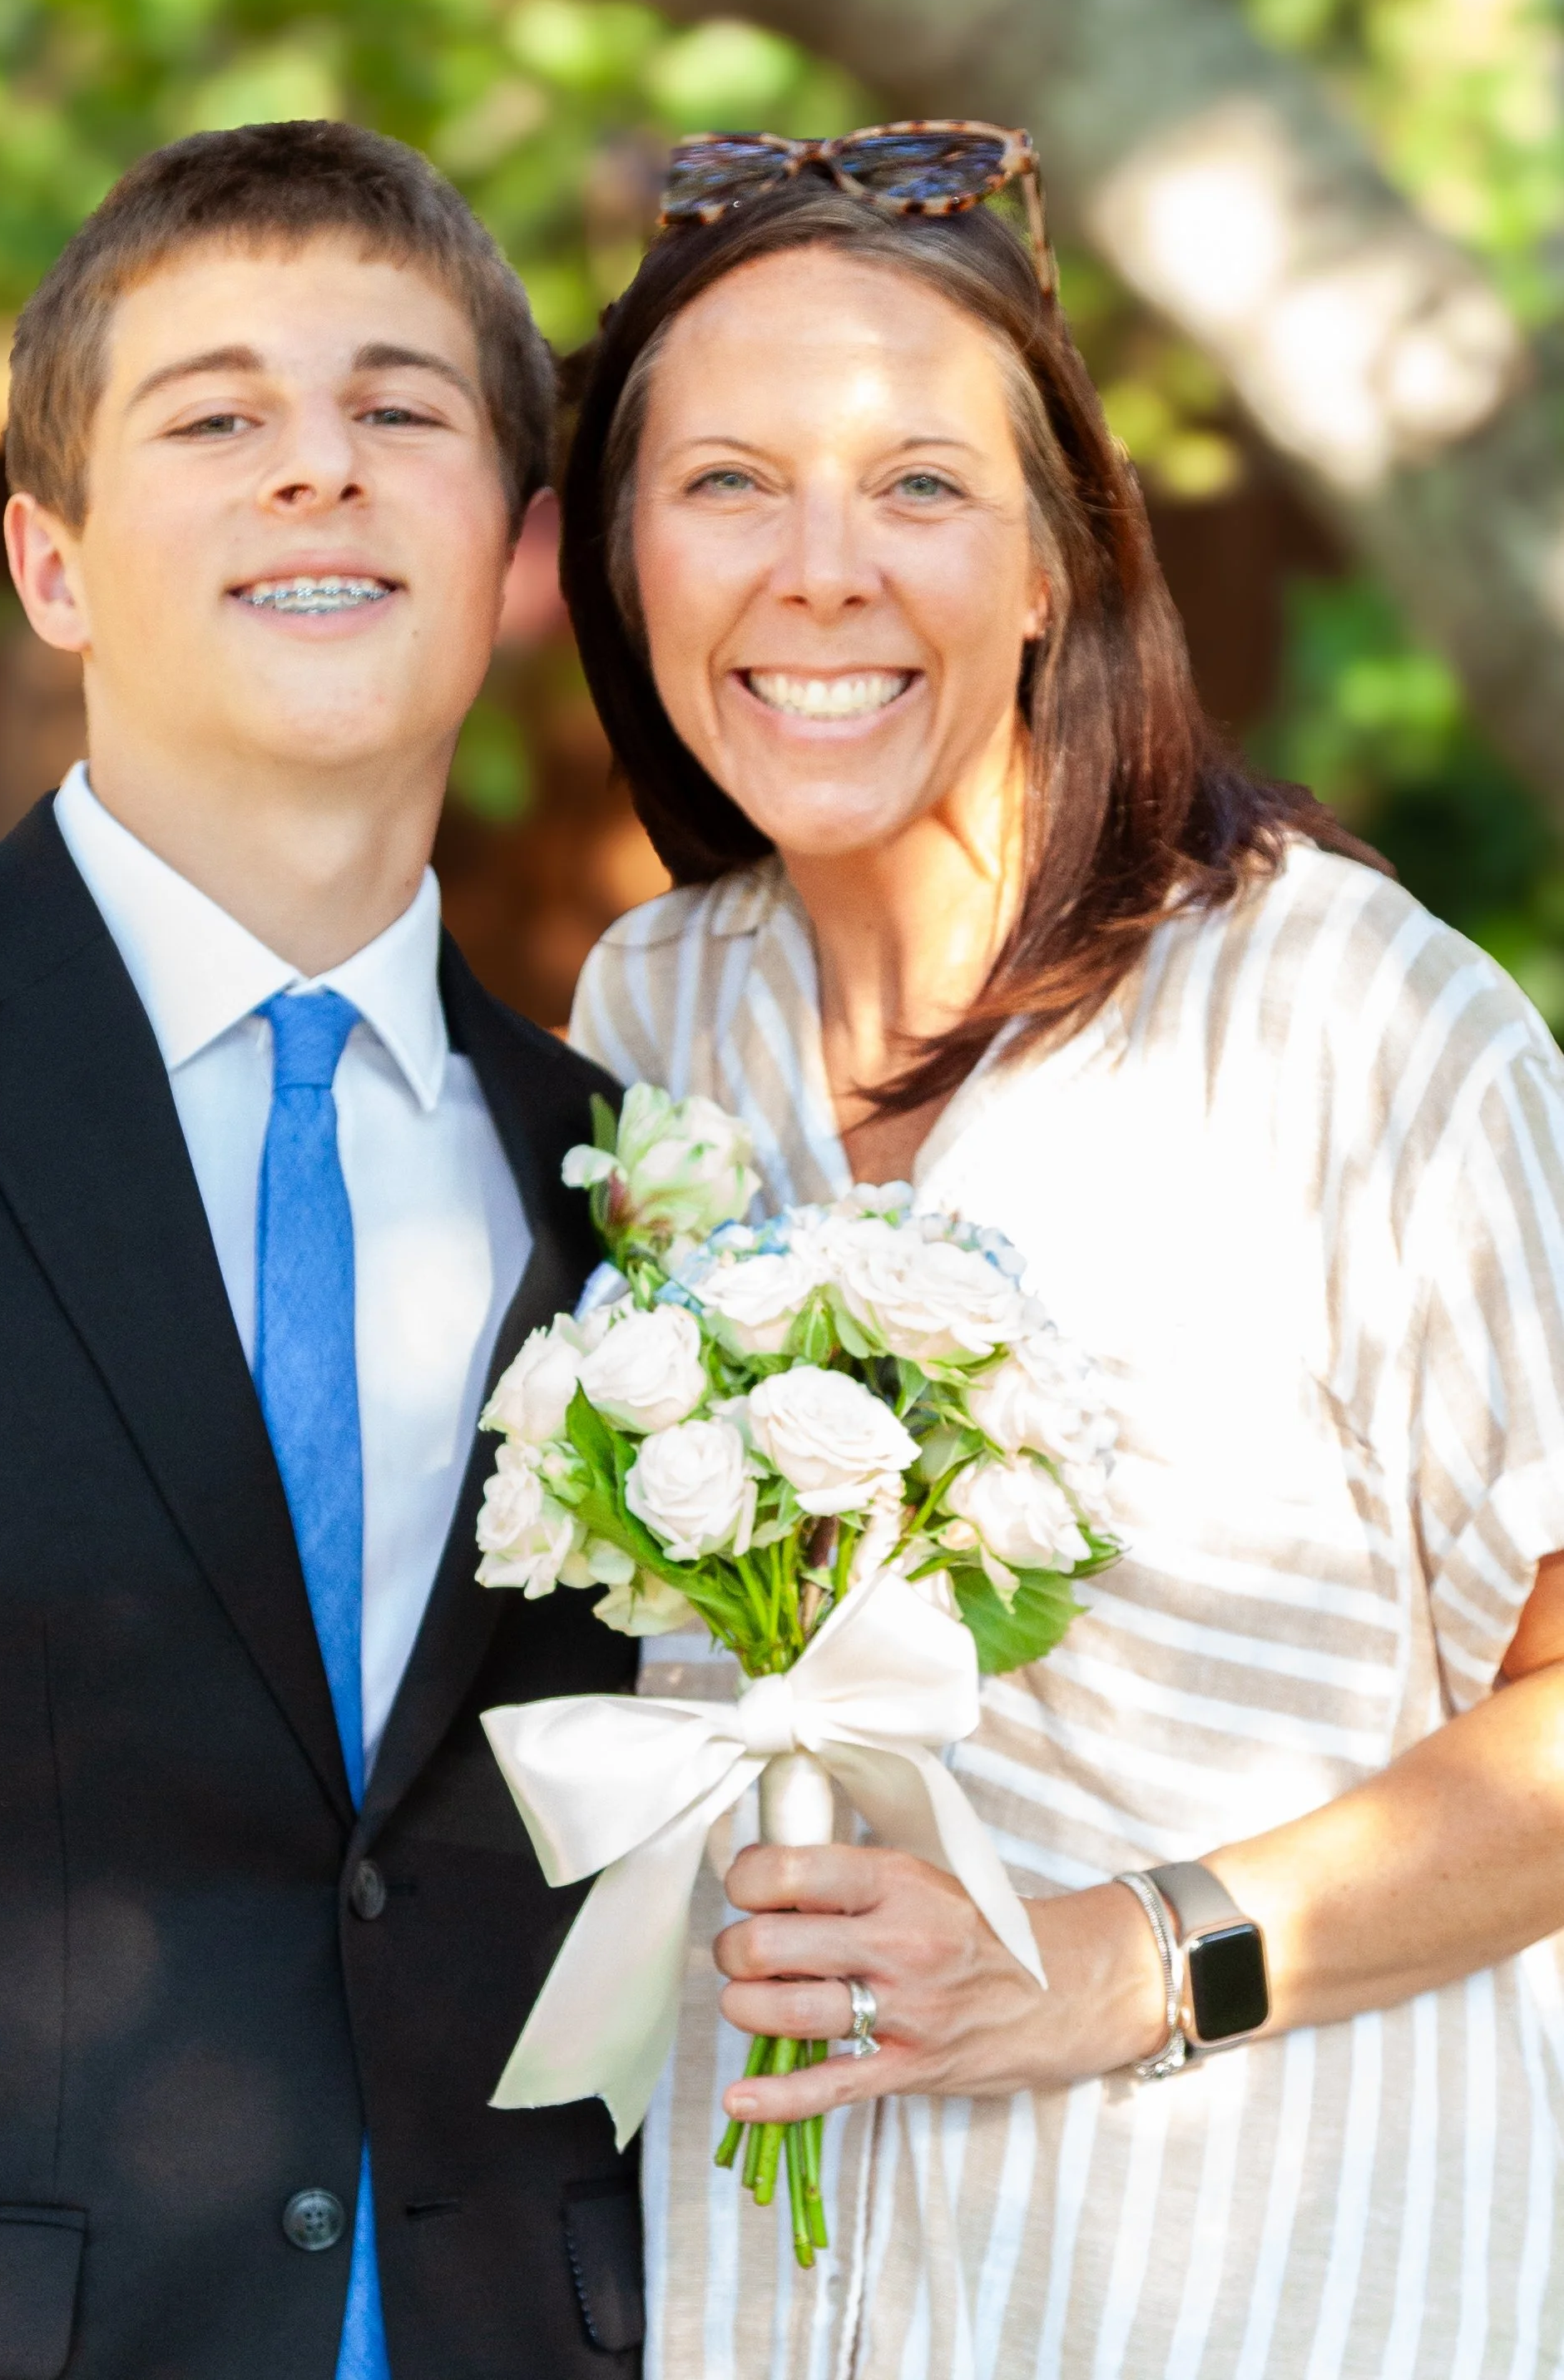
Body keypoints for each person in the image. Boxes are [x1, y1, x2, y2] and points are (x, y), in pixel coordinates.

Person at [561, 130, 1564, 2377]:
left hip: (1290, 2304)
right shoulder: (651, 1018)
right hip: (762, 2298)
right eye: (725, 482)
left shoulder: (1348, 1022)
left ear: (1053, 567)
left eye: (917, 484)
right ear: (623, 558)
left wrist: (1134, 1953)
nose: (820, 573)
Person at [0, 121, 644, 2380]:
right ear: (53, 560)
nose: (318, 471)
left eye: (400, 411)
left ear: (508, 543)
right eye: (215, 418)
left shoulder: (624, 1182)